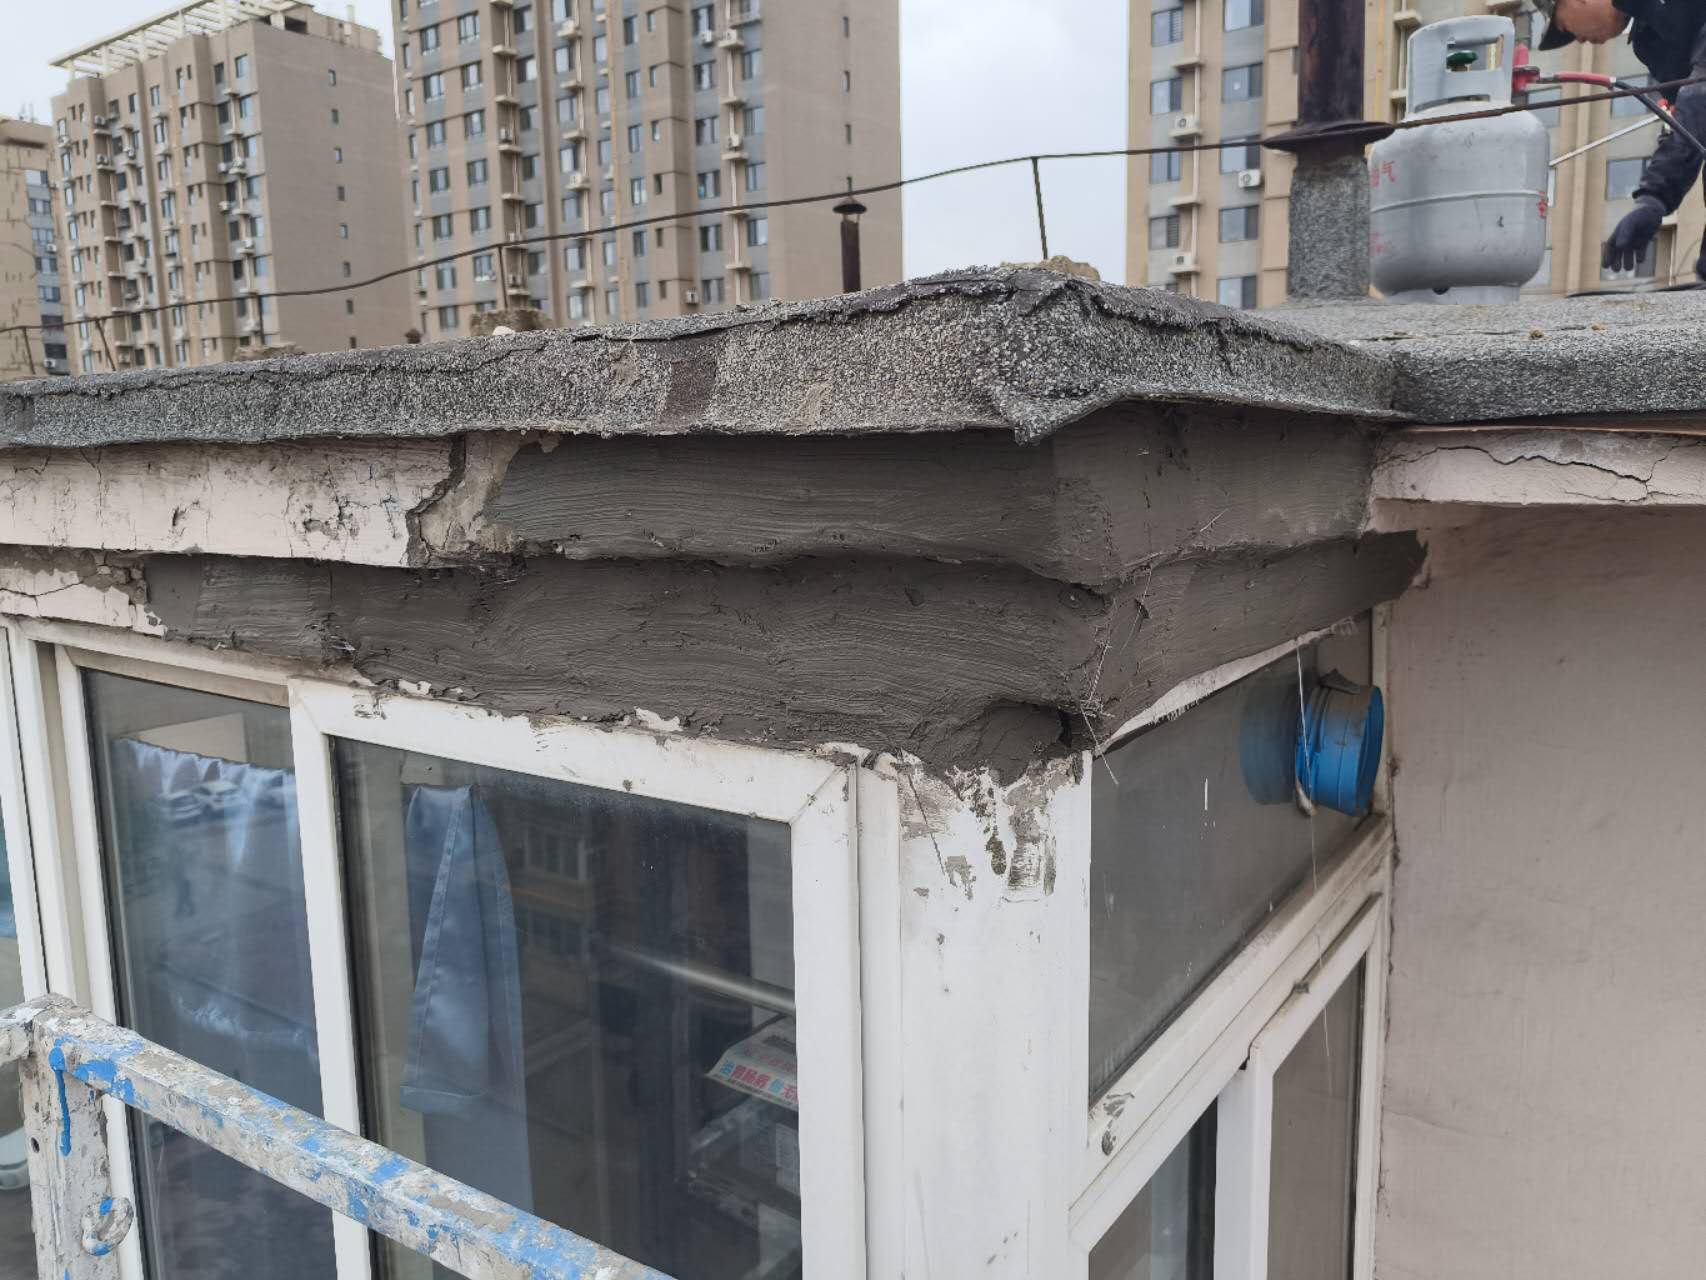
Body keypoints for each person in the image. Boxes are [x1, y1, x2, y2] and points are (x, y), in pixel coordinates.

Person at [1534, 0, 1706, 275]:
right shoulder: (1650, 40)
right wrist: (1653, 199)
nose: (1579, 40)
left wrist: (1655, 196)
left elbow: (1698, 98)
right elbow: (1688, 125)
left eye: (1564, 26)